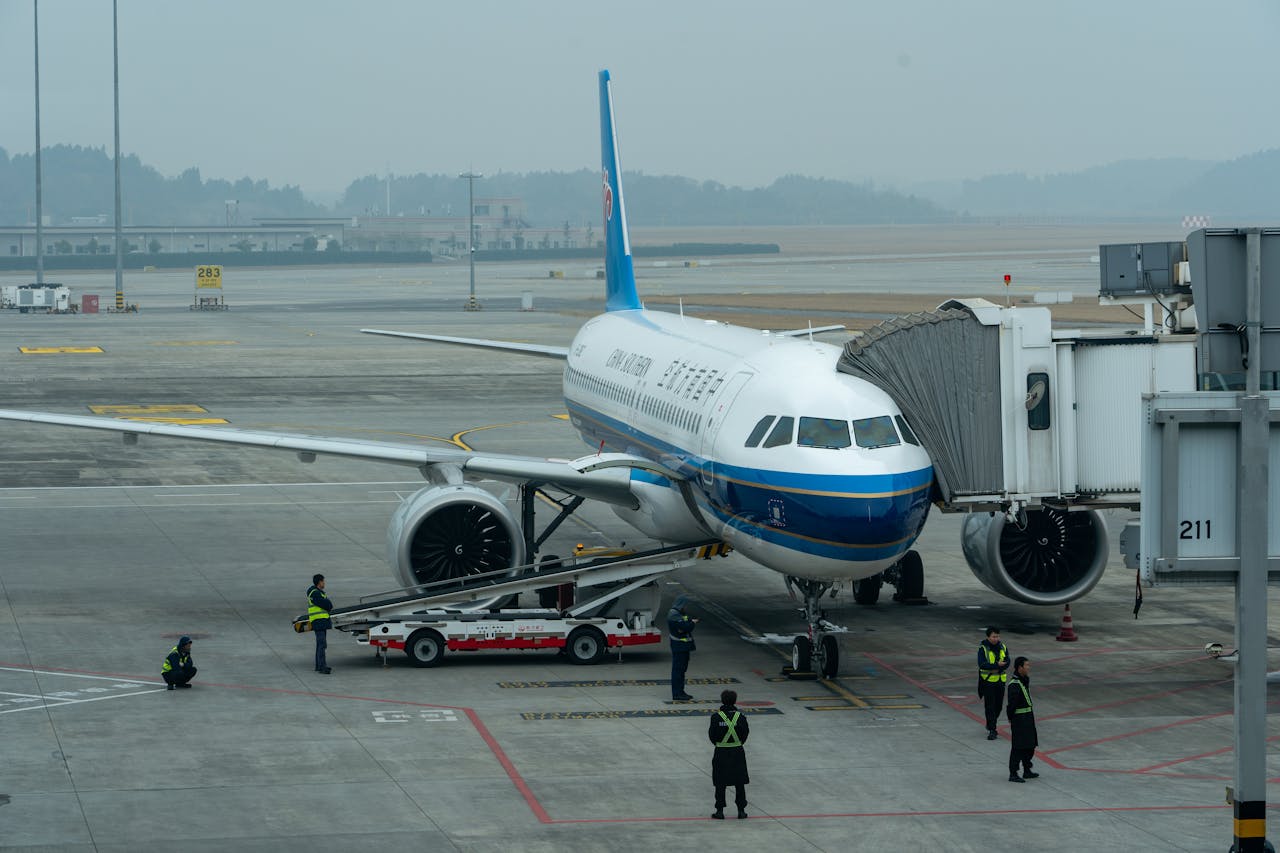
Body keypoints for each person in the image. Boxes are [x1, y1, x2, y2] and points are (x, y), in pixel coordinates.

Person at [708, 688, 750, 819]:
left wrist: (720, 744)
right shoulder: (741, 717)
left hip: (721, 752)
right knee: (739, 782)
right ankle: (741, 810)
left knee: (720, 782)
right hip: (737, 752)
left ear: (722, 700)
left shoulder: (715, 717)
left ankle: (719, 810)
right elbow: (745, 733)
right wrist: (737, 743)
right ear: (735, 701)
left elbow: (712, 735)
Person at [1006, 656, 1040, 782]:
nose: (1028, 667)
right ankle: (1013, 773)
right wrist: (1011, 718)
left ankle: (1027, 769)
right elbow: (1012, 704)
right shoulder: (1014, 684)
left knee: (1030, 744)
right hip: (1019, 718)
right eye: (1026, 665)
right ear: (1020, 667)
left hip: (1028, 717)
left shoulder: (1024, 680)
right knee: (1018, 746)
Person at [977, 626, 1009, 739]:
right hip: (988, 682)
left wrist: (999, 667)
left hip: (1000, 681)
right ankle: (992, 729)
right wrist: (996, 666)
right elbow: (982, 664)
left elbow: (1007, 661)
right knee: (990, 706)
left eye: (997, 636)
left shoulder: (1003, 647)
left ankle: (991, 722)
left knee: (999, 706)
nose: (996, 638)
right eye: (994, 636)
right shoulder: (983, 648)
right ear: (988, 637)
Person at [667, 593, 698, 700]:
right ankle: (677, 693)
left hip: (683, 647)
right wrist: (692, 623)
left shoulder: (679, 613)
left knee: (681, 670)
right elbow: (686, 627)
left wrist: (689, 622)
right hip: (679, 647)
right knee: (678, 671)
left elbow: (686, 621)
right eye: (685, 605)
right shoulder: (674, 615)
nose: (686, 607)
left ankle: (680, 691)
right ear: (681, 604)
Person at [307, 573, 333, 674]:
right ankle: (322, 667)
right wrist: (328, 603)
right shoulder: (315, 593)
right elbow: (328, 605)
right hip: (319, 621)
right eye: (323, 581)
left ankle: (319, 666)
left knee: (320, 644)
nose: (324, 583)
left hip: (321, 621)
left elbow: (328, 604)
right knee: (322, 644)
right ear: (319, 582)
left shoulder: (319, 592)